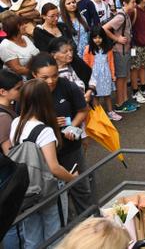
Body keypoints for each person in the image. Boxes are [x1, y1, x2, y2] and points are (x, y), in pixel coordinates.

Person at [8, 78, 78, 249]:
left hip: (26, 188)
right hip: (47, 189)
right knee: (55, 233)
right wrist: (71, 177)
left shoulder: (16, 123)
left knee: (32, 236)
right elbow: (53, 167)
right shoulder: (44, 131)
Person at [29, 54, 91, 215]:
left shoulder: (67, 86)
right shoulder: (28, 94)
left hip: (70, 149)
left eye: (54, 75)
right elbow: (23, 122)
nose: (51, 81)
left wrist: (72, 126)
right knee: (53, 197)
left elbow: (83, 109)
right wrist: (49, 124)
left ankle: (91, 222)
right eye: (45, 77)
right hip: (44, 155)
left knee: (81, 189)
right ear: (34, 75)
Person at [103, 0, 135, 112]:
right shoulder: (120, 16)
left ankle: (125, 99)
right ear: (124, 3)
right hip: (119, 51)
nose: (134, 4)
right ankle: (119, 103)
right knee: (121, 77)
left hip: (125, 50)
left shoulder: (126, 14)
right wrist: (117, 38)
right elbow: (104, 28)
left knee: (124, 76)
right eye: (132, 2)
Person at [83, 25, 118, 120]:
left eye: (100, 37)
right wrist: (87, 77)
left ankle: (110, 112)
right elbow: (85, 63)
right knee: (95, 96)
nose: (97, 40)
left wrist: (113, 74)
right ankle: (98, 114)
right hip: (94, 76)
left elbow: (111, 62)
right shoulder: (88, 49)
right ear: (91, 38)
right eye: (95, 38)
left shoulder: (108, 49)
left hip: (105, 75)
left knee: (107, 95)